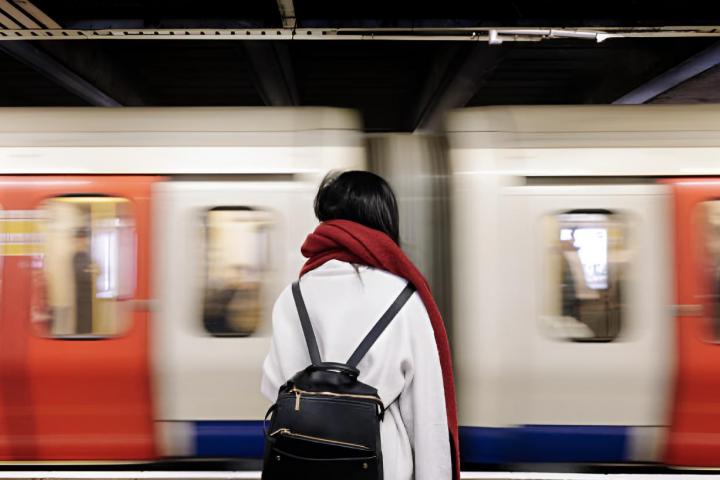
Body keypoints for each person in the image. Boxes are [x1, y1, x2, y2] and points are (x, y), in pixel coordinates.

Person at [261, 171, 458, 480]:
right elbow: (426, 416)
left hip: (303, 463)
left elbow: (273, 386)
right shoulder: (404, 300)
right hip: (383, 466)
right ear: (385, 221)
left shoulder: (293, 296)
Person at [72, 227, 98, 335]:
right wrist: (91, 271)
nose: (82, 241)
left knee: (89, 327)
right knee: (82, 328)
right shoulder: (75, 256)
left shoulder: (88, 255)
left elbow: (96, 270)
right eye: (79, 238)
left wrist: (92, 270)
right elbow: (81, 275)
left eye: (84, 238)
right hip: (80, 298)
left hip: (90, 298)